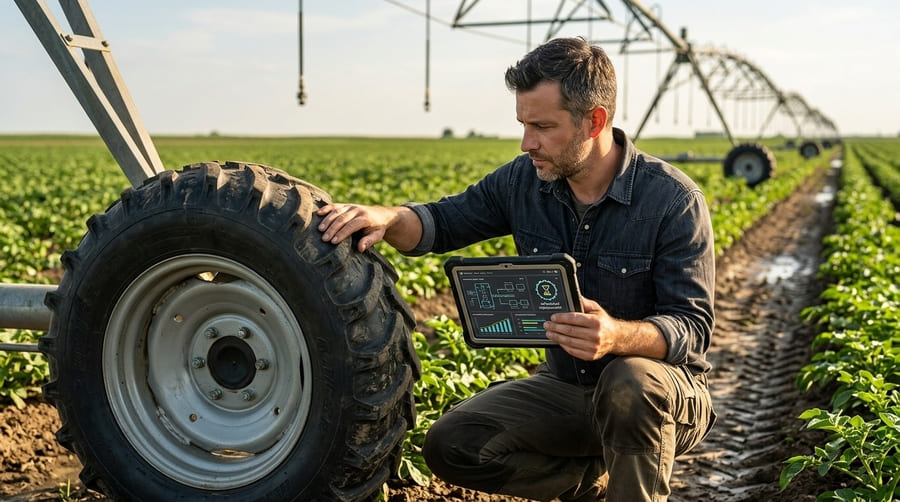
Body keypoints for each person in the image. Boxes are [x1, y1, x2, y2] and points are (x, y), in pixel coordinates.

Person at [317, 36, 716, 502]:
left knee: (629, 381)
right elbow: (440, 223)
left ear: (596, 120)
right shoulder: (523, 181)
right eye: (524, 124)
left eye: (543, 126)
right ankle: (591, 485)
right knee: (453, 444)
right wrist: (387, 217)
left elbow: (692, 328)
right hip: (569, 388)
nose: (528, 143)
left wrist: (614, 336)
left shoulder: (672, 200)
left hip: (664, 394)